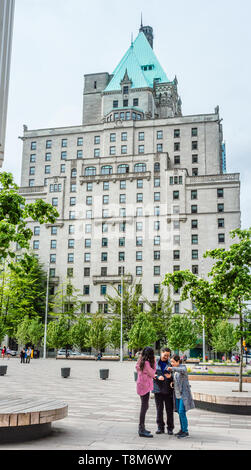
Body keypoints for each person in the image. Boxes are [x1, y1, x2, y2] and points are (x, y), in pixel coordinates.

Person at [168, 354, 195, 439]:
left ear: (178, 361)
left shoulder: (183, 367)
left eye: (173, 362)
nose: (171, 363)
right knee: (179, 412)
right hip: (177, 394)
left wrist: (172, 368)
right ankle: (182, 430)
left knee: (182, 411)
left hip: (184, 395)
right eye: (171, 362)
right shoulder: (175, 370)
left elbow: (181, 370)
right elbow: (177, 379)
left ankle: (185, 431)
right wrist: (173, 382)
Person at [136, 346, 156, 438]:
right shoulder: (147, 363)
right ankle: (141, 429)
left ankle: (142, 427)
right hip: (145, 386)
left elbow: (137, 367)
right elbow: (153, 373)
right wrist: (154, 362)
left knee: (145, 406)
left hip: (141, 385)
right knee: (144, 407)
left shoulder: (141, 361)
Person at [152, 347, 174, 435]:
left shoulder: (170, 363)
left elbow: (175, 374)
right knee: (159, 410)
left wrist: (171, 377)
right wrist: (157, 377)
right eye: (165, 355)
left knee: (169, 410)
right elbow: (150, 373)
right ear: (161, 353)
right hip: (158, 389)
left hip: (168, 390)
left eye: (168, 356)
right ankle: (160, 427)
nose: (166, 357)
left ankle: (170, 428)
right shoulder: (154, 362)